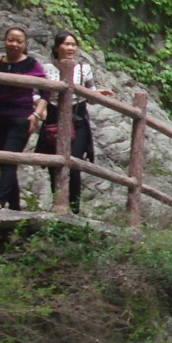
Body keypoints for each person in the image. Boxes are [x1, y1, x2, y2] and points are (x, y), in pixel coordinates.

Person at [36, 33, 113, 214]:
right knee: (54, 163)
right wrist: (40, 108)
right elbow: (38, 91)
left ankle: (74, 208)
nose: (71, 48)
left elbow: (91, 94)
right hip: (53, 115)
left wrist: (98, 94)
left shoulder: (83, 68)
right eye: (66, 44)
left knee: (74, 161)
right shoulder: (46, 68)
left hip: (77, 117)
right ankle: (58, 202)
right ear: (57, 48)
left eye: (73, 45)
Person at [0, 26, 47, 211]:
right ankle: (15, 206)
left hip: (21, 119)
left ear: (25, 44)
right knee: (5, 161)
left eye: (19, 41)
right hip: (0, 117)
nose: (14, 44)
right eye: (11, 40)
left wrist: (36, 114)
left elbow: (45, 92)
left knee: (9, 158)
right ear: (5, 41)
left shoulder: (32, 64)